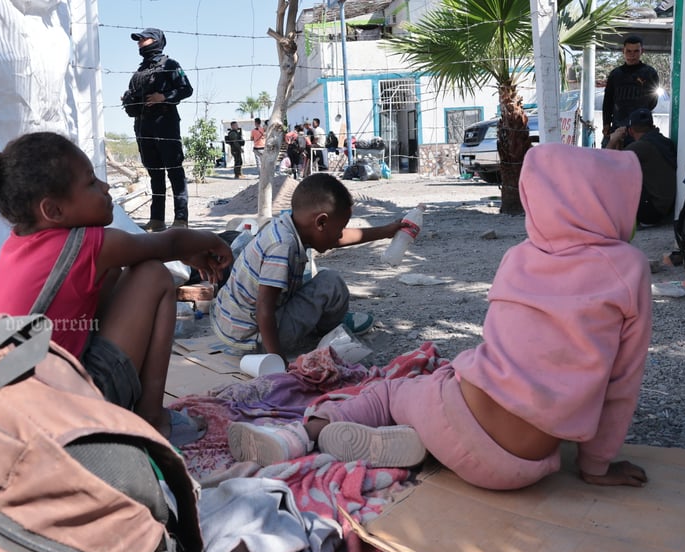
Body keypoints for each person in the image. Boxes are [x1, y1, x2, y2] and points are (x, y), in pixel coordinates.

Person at [228, 143, 653, 492]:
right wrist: (597, 467)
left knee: (393, 392)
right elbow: (621, 383)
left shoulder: (519, 258)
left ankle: (306, 433)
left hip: (458, 420)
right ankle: (410, 444)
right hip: (522, 466)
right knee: (447, 396)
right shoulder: (629, 269)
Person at [0, 132, 233, 446]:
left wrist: (181, 250)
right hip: (63, 423)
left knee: (116, 272)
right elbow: (168, 243)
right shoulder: (87, 246)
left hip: (15, 420)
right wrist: (215, 241)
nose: (105, 188)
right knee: (153, 275)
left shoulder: (18, 247)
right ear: (53, 210)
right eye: (91, 183)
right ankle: (153, 422)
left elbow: (159, 248)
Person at [211, 173, 404, 361]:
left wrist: (387, 231)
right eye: (338, 230)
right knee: (331, 283)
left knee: (324, 280)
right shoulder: (282, 247)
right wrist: (276, 360)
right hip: (253, 337)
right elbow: (264, 309)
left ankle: (316, 329)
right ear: (321, 222)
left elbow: (339, 238)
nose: (339, 235)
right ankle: (324, 332)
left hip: (234, 325)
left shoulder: (288, 226)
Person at [123, 28, 193, 232]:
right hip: (143, 126)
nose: (140, 43)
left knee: (174, 171)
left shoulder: (170, 65)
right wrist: (129, 99)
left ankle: (181, 219)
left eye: (143, 39)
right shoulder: (139, 71)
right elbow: (134, 95)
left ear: (156, 41)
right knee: (154, 173)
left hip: (166, 123)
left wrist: (164, 97)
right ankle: (157, 219)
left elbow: (186, 89)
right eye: (139, 40)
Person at [605, 108, 677, 226]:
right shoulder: (662, 141)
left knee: (611, 181)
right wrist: (620, 143)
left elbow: (606, 163)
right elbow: (620, 163)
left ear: (631, 130)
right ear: (652, 126)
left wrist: (613, 141)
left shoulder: (642, 146)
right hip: (667, 208)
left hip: (653, 212)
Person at [602, 35, 660, 148]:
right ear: (623, 51)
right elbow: (608, 101)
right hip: (617, 128)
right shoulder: (615, 74)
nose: (631, 55)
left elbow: (653, 101)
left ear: (642, 51)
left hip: (640, 131)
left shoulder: (649, 73)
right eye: (628, 51)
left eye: (636, 51)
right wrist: (606, 123)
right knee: (608, 160)